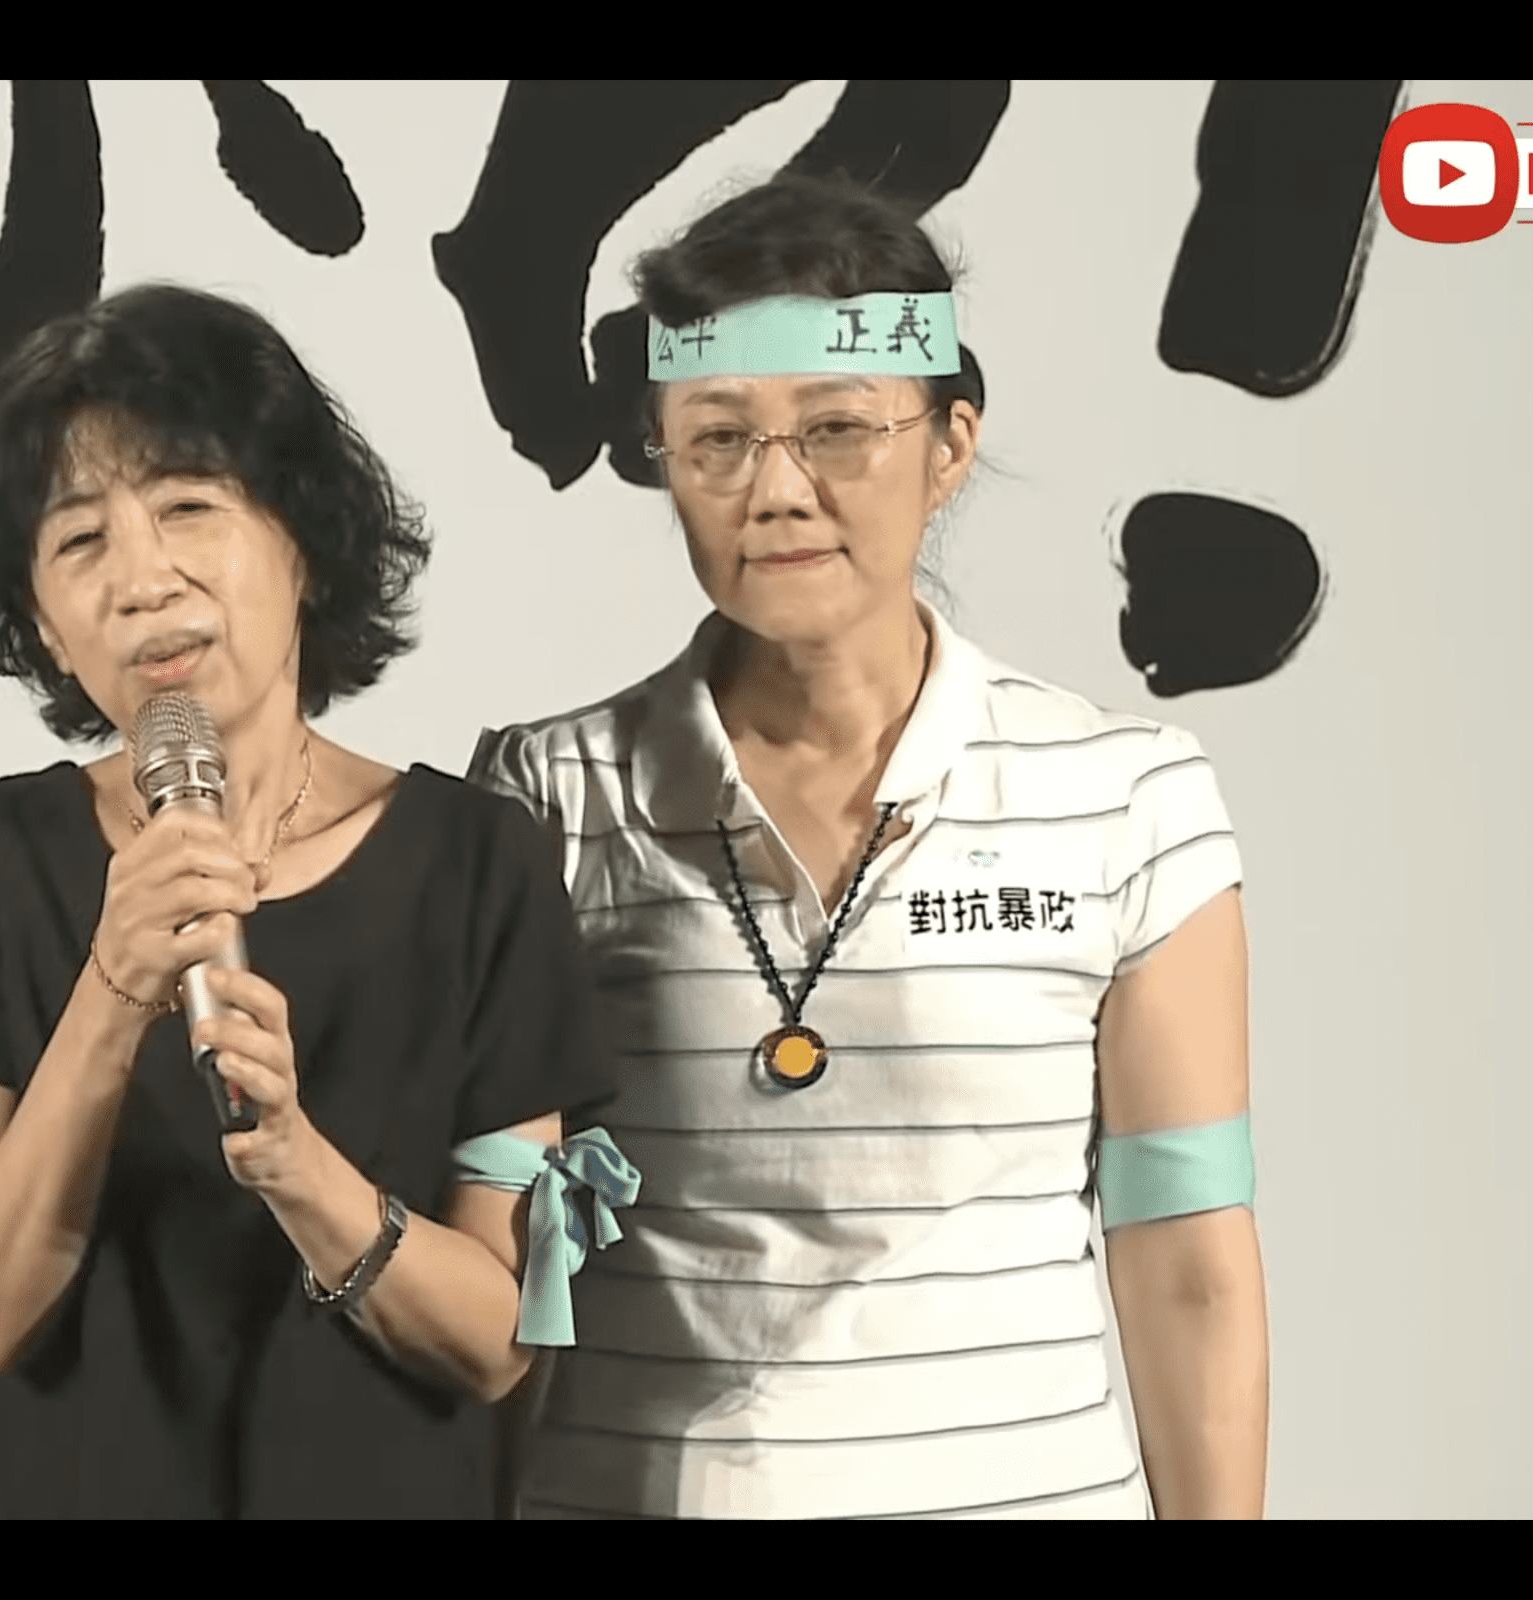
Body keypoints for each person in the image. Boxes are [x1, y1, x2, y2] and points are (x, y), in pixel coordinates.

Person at [468, 174, 1269, 1520]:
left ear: (950, 445)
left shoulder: (1128, 796)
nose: (777, 492)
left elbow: (1188, 1260)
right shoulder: (547, 793)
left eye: (838, 430)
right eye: (718, 439)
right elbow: (486, 1258)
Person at [0, 283, 637, 1519]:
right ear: (45, 629)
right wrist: (112, 991)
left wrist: (296, 1166)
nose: (142, 579)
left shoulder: (480, 862)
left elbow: (501, 1335)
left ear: (302, 543)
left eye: (187, 507)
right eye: (79, 541)